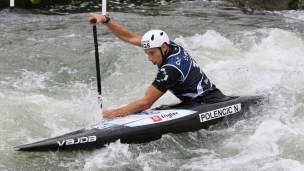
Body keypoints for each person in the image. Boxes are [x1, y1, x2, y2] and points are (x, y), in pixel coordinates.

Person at [88, 13, 231, 119]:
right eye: (147, 53)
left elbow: (146, 103)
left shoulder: (170, 69)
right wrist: (106, 20)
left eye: (152, 53)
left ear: (163, 47)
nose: (150, 58)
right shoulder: (169, 44)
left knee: (148, 110)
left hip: (206, 103)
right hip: (198, 100)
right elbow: (130, 37)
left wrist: (110, 114)